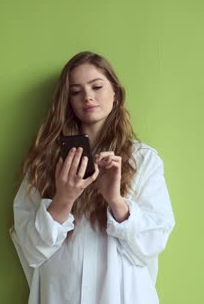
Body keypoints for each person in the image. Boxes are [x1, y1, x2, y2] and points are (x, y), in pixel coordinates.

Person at [11, 51, 175, 304]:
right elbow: (30, 249)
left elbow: (153, 243)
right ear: (68, 102)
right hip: (60, 295)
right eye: (76, 92)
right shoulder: (44, 162)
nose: (87, 96)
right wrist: (64, 199)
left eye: (97, 86)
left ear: (116, 94)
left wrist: (116, 201)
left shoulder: (143, 161)